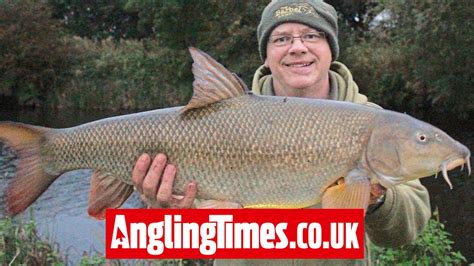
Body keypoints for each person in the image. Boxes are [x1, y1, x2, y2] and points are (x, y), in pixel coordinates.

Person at [131, 0, 431, 264]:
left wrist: (376, 199)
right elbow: (195, 247)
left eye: (311, 35)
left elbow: (407, 229)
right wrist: (170, 214)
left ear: (331, 49)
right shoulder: (220, 121)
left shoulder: (379, 126)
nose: (297, 46)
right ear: (266, 54)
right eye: (281, 38)